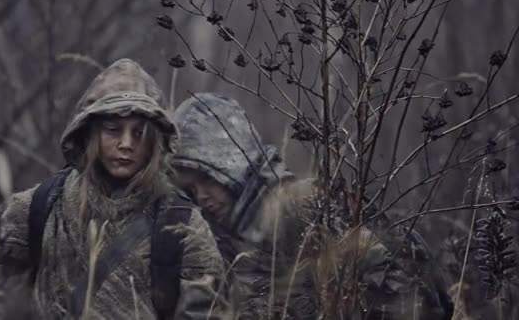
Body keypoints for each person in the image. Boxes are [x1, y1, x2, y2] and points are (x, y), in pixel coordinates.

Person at [0, 60, 227, 320]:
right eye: (113, 130)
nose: (126, 144)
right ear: (89, 133)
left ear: (155, 143)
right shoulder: (34, 209)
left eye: (139, 133)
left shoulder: (182, 224)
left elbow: (203, 314)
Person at [172, 93, 454, 320]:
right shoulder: (220, 245)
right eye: (190, 189)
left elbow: (400, 279)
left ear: (230, 161)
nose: (201, 196)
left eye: (207, 178)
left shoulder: (301, 207)